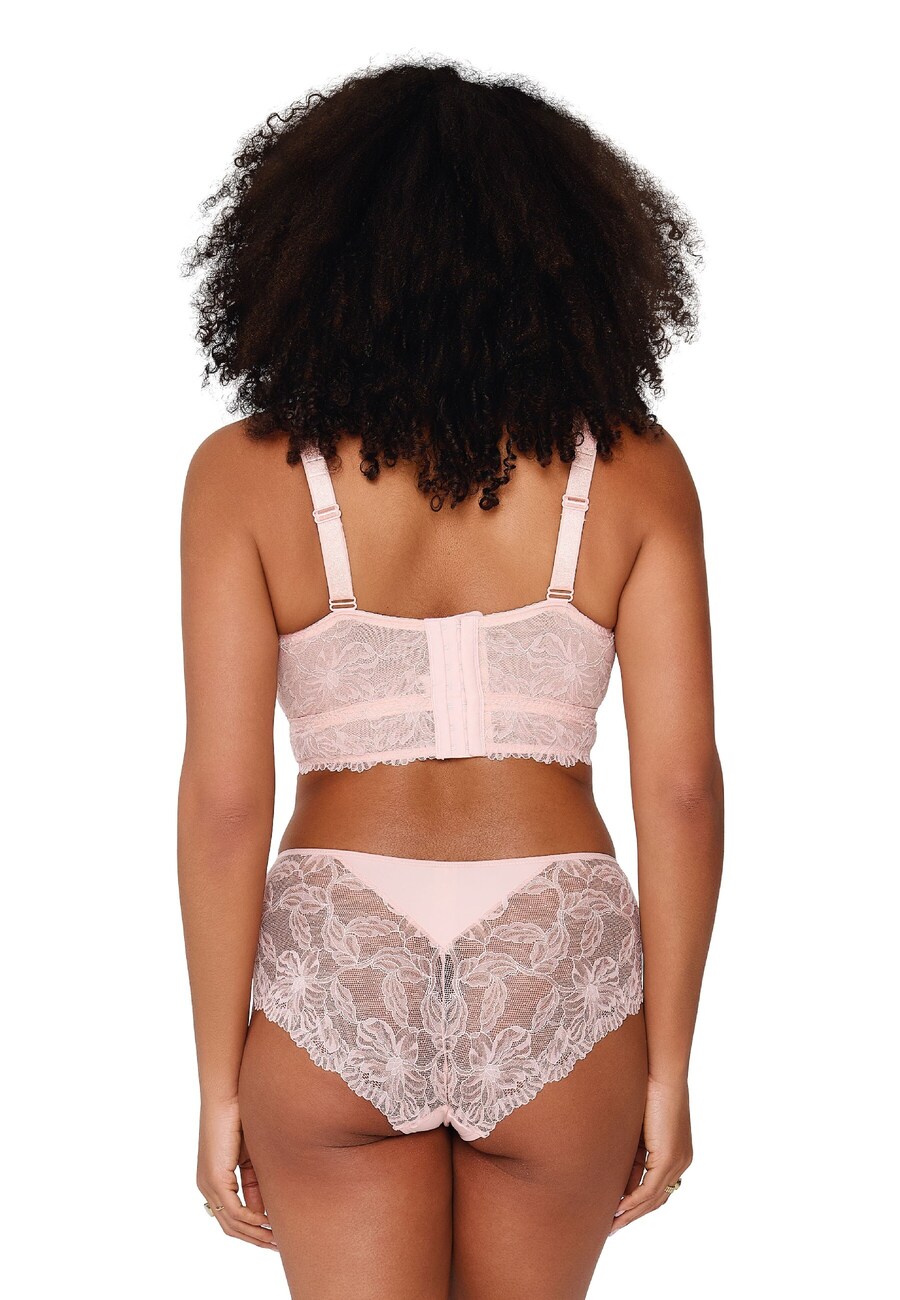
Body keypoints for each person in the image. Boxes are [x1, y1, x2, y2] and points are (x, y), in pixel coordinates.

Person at [178, 59, 724, 1300]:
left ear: (308, 255)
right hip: (559, 957)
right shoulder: (636, 473)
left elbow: (224, 801)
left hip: (336, 958)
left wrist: (217, 1082)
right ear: (567, 257)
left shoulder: (244, 477)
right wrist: (669, 1066)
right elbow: (682, 789)